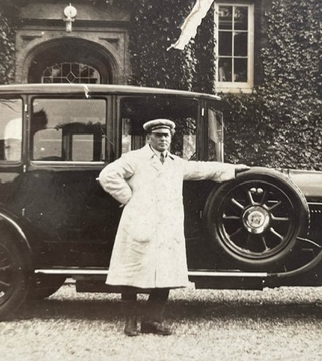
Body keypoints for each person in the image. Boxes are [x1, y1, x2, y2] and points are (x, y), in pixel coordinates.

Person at [98, 118, 249, 336]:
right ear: (149, 137)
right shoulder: (135, 159)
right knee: (131, 273)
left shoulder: (176, 163)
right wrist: (128, 197)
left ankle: (152, 320)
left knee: (165, 273)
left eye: (166, 136)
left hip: (167, 228)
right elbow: (108, 175)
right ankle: (130, 321)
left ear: (171, 138)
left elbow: (203, 169)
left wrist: (233, 169)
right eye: (158, 135)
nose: (162, 139)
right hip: (139, 223)